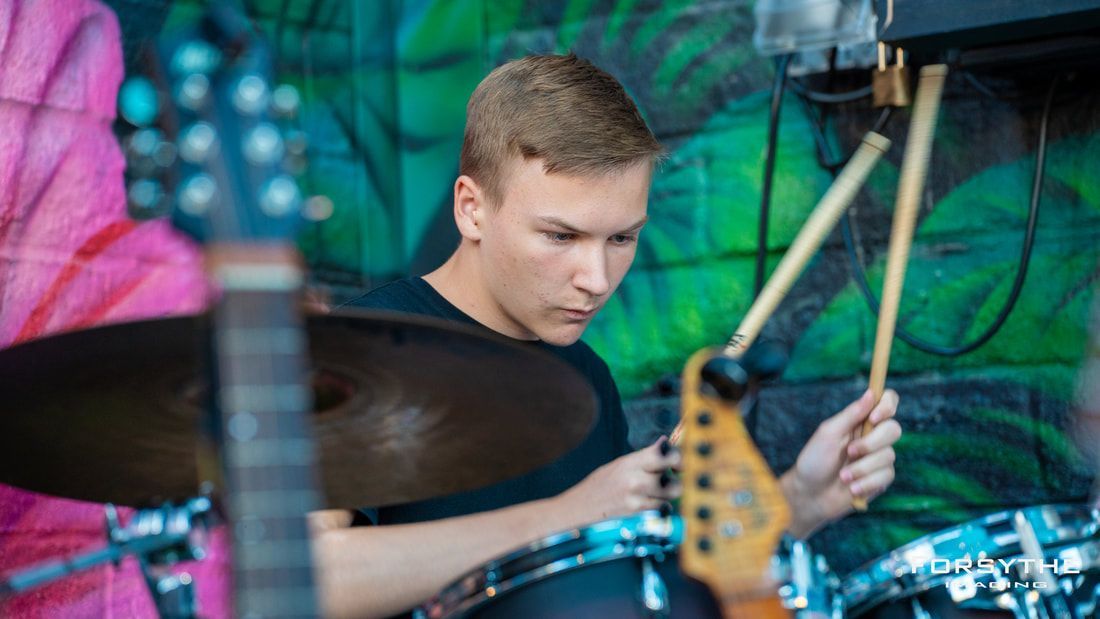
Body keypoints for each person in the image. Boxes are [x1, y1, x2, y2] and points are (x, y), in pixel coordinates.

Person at [309, 53, 902, 619]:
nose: (596, 281)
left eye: (621, 239)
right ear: (472, 209)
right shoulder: (356, 353)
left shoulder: (585, 378)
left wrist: (801, 500)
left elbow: (640, 595)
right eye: (561, 237)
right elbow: (309, 579)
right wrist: (572, 515)